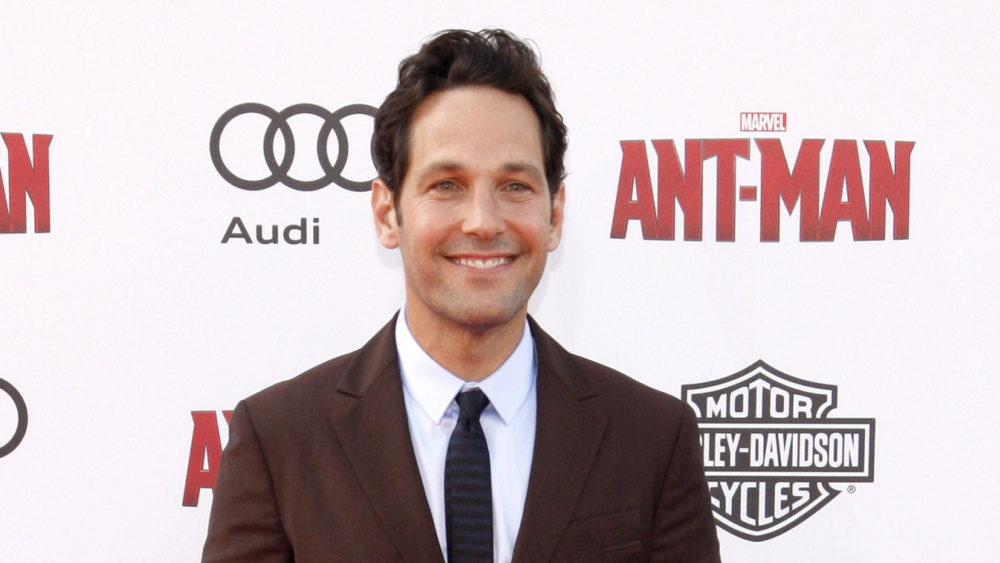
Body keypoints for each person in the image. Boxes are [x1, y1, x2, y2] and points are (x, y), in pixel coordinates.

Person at [202, 29, 721, 562]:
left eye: (515, 186)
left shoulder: (652, 439)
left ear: (554, 215)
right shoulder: (279, 440)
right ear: (387, 214)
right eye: (446, 185)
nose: (483, 222)